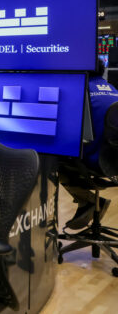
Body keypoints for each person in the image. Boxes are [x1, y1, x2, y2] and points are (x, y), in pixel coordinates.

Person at [60, 59, 118, 229]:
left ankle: (87, 200)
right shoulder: (113, 90)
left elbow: (67, 132)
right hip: (114, 162)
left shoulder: (81, 93)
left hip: (95, 162)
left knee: (50, 157)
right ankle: (88, 202)